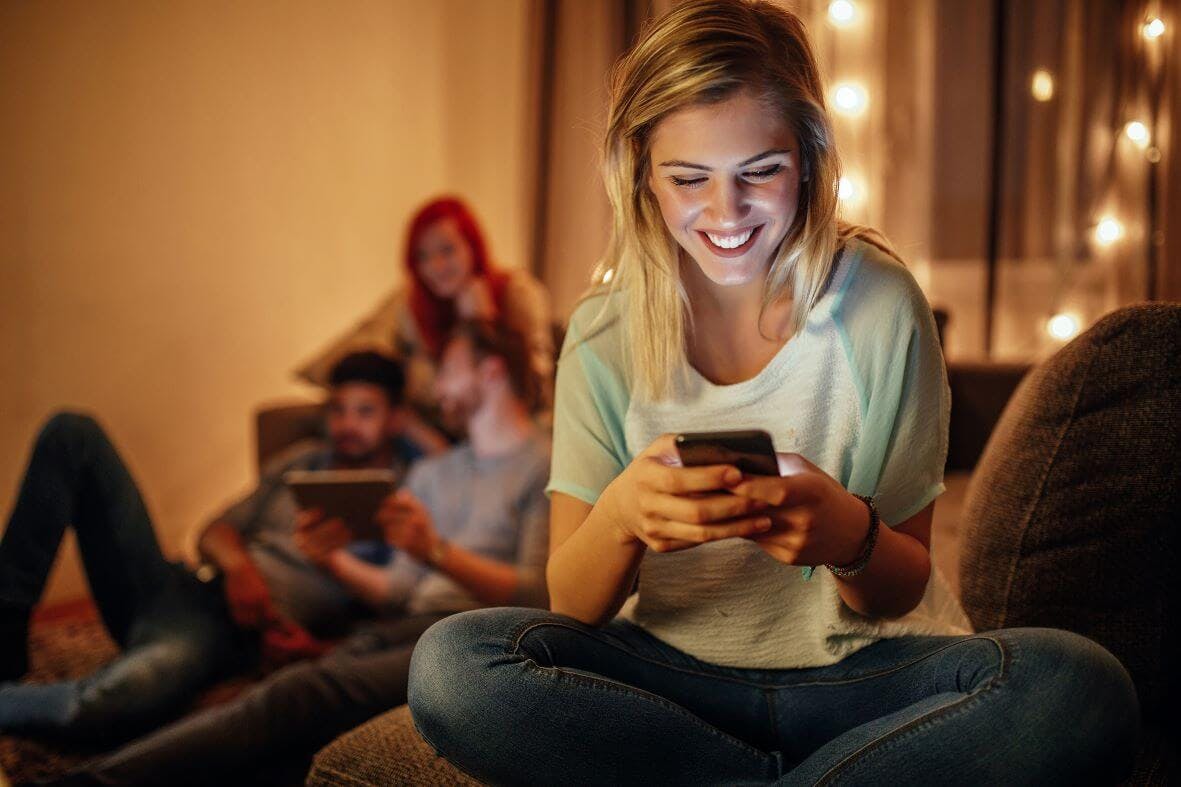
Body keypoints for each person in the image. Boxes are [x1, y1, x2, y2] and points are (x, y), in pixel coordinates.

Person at [405, 2, 1141, 785]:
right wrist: (623, 514)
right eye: (689, 178)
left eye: (761, 171)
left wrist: (848, 536)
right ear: (642, 176)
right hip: (666, 679)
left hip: (867, 674)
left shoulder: (881, 306)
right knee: (451, 665)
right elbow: (570, 602)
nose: (725, 214)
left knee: (1079, 684)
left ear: (809, 162)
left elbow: (899, 584)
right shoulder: (600, 331)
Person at [47, 321, 550, 786]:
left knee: (296, 697)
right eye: (339, 409)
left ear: (491, 368)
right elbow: (398, 590)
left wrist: (436, 551)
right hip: (388, 621)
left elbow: (544, 595)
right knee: (290, 698)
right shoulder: (435, 474)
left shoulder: (542, 462)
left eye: (447, 367)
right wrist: (328, 558)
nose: (435, 383)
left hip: (468, 630)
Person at [0, 351, 421, 742]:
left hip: (221, 633)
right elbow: (212, 532)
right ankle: (6, 623)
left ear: (396, 419)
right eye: (338, 409)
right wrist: (240, 569)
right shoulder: (302, 461)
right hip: (180, 587)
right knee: (72, 431)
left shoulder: (407, 501)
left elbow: (396, 619)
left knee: (104, 705)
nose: (347, 424)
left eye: (365, 411)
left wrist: (317, 652)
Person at [296, 196, 554, 443]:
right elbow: (328, 369)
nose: (436, 266)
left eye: (447, 250)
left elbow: (535, 393)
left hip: (511, 432)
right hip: (441, 440)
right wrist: (406, 382)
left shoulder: (516, 293)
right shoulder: (409, 305)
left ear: (473, 246)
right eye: (423, 256)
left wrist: (483, 324)